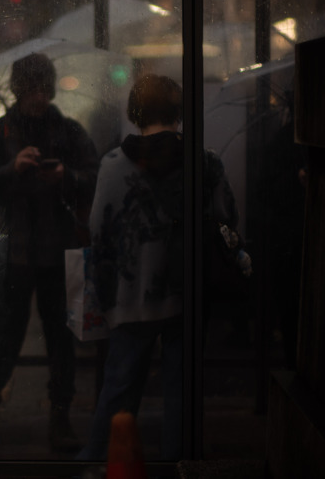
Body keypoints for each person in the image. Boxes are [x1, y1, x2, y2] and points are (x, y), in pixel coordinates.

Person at [77, 74, 247, 461]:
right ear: (178, 112)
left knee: (119, 387)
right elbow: (227, 219)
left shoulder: (113, 165)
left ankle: (99, 461)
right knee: (182, 391)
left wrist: (103, 292)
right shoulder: (205, 161)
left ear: (136, 113)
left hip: (130, 295)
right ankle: (178, 465)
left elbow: (98, 230)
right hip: (187, 292)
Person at [0, 52, 100, 454]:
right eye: (31, 90)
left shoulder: (69, 131)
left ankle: (60, 418)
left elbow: (94, 178)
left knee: (61, 340)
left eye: (44, 89)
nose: (39, 98)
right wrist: (13, 169)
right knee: (5, 337)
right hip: (12, 253)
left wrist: (66, 176)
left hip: (60, 251)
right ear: (18, 90)